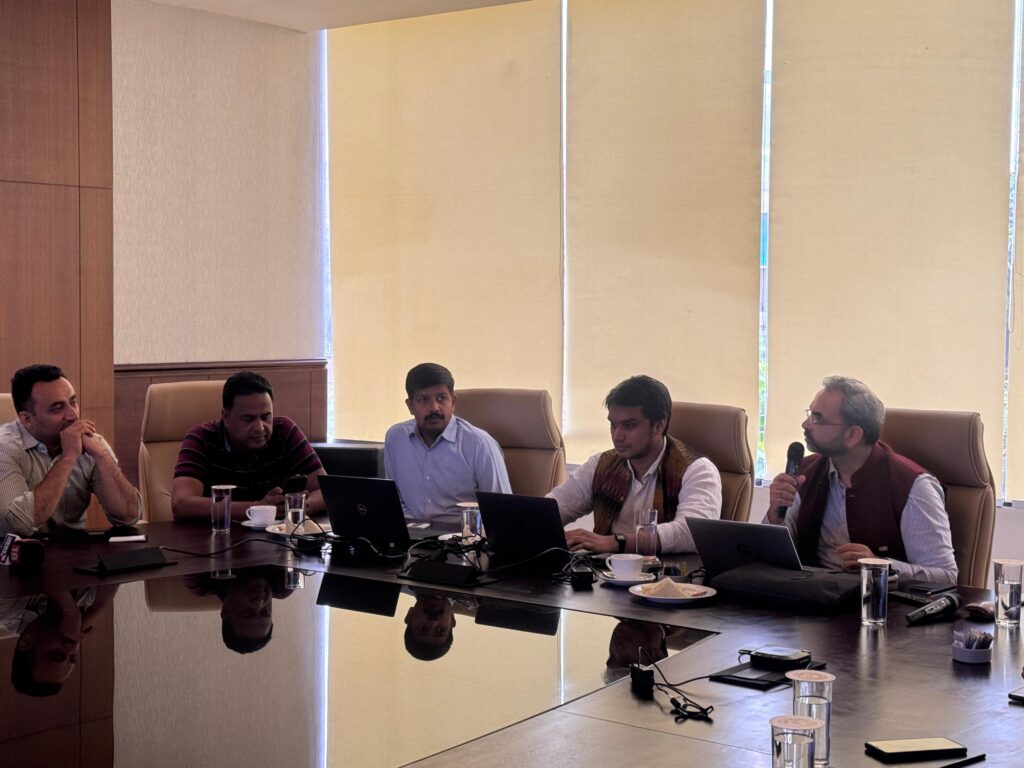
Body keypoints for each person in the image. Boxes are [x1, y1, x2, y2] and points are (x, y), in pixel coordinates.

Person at [766, 375, 957, 586]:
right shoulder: (804, 471)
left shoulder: (913, 486)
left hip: (877, 602)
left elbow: (946, 576)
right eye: (810, 414)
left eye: (818, 418)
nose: (806, 424)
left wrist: (879, 566)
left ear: (853, 435)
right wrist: (775, 515)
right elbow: (772, 557)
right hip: (809, 594)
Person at [548, 375, 722, 554]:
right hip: (602, 569)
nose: (617, 435)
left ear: (659, 426)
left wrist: (615, 542)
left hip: (667, 570)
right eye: (613, 425)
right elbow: (553, 509)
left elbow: (691, 533)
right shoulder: (600, 465)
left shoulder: (697, 470)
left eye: (629, 425)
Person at [0, 364, 141, 537]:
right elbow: (18, 524)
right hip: (17, 552)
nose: (73, 415)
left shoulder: (91, 444)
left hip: (74, 550)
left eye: (73, 402)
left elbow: (129, 517)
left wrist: (102, 455)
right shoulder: (4, 448)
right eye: (57, 408)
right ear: (27, 420)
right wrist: (68, 457)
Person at [171, 371, 326, 521]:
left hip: (276, 536)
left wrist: (300, 505)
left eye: (266, 417)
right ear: (226, 417)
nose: (260, 427)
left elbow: (326, 491)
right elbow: (181, 505)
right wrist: (257, 508)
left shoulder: (284, 431)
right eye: (248, 419)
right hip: (218, 535)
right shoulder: (201, 438)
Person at [383, 363, 511, 525]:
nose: (434, 408)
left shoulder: (480, 444)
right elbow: (394, 501)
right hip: (411, 533)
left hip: (461, 535)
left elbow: (501, 510)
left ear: (453, 402)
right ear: (410, 406)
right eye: (423, 400)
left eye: (441, 398)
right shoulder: (396, 438)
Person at [3, 585, 118, 697]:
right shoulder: (81, 602)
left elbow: (46, 572)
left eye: (57, 655)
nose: (72, 646)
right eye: (73, 657)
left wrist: (69, 609)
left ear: (26, 642)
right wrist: (98, 608)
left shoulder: (5, 609)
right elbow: (117, 572)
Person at [182, 567, 294, 654]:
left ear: (226, 610)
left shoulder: (202, 583)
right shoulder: (284, 585)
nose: (259, 602)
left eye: (247, 612)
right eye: (265, 611)